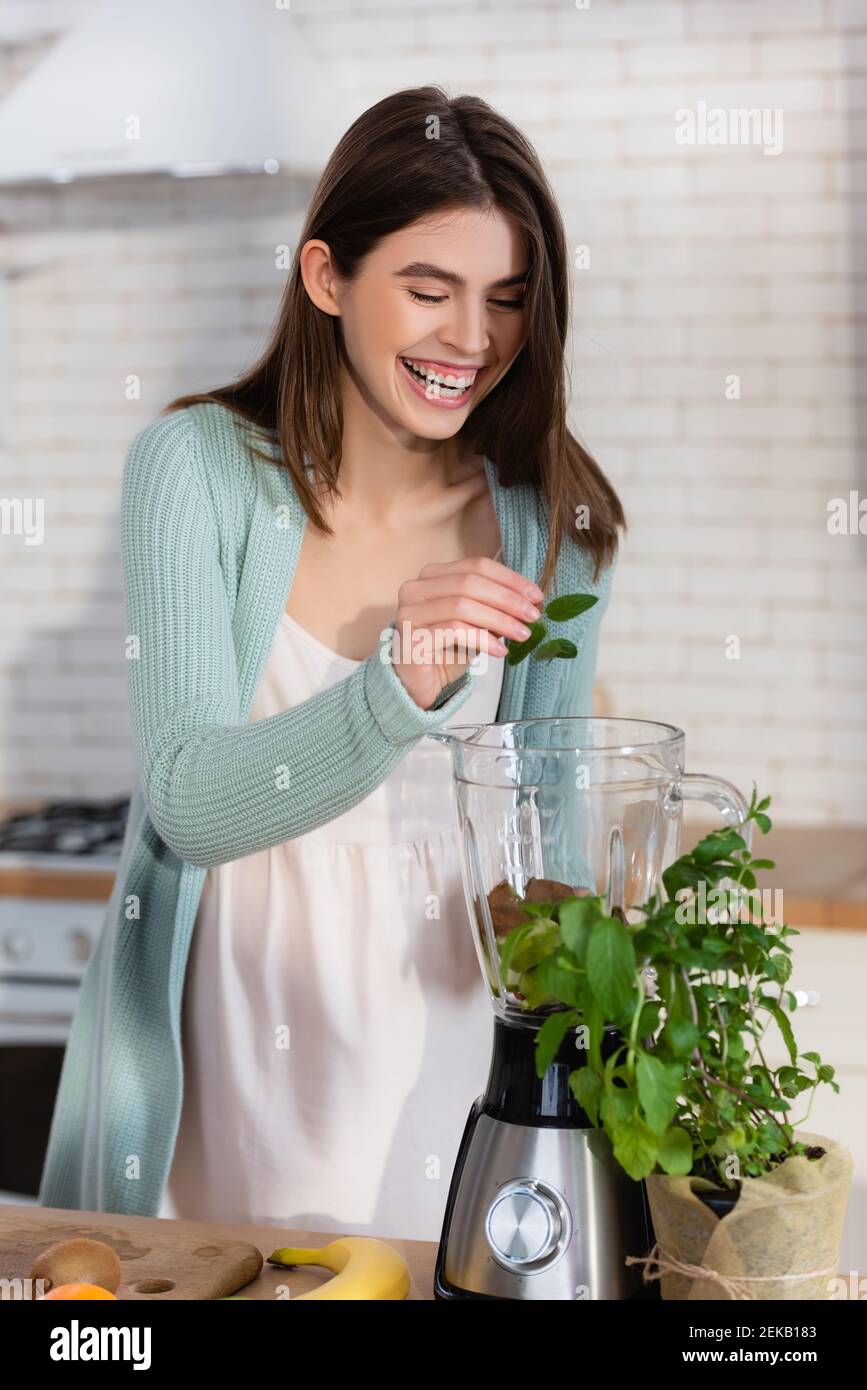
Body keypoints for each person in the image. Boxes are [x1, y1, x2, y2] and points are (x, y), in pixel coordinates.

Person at [38, 85, 625, 1240]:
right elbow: (191, 801)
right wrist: (397, 685)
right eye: (428, 290)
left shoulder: (557, 523)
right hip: (241, 1060)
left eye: (508, 300)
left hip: (453, 1060)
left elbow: (545, 847)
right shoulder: (194, 471)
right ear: (325, 278)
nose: (474, 339)